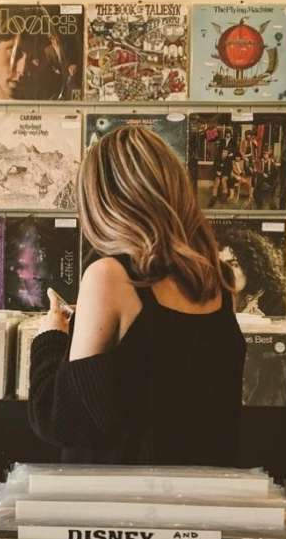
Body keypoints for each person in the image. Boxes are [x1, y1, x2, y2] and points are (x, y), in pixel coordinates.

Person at [28, 126, 246, 465]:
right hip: (201, 489)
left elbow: (65, 423)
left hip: (124, 494)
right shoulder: (216, 277)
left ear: (101, 199)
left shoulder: (109, 276)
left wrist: (51, 337)